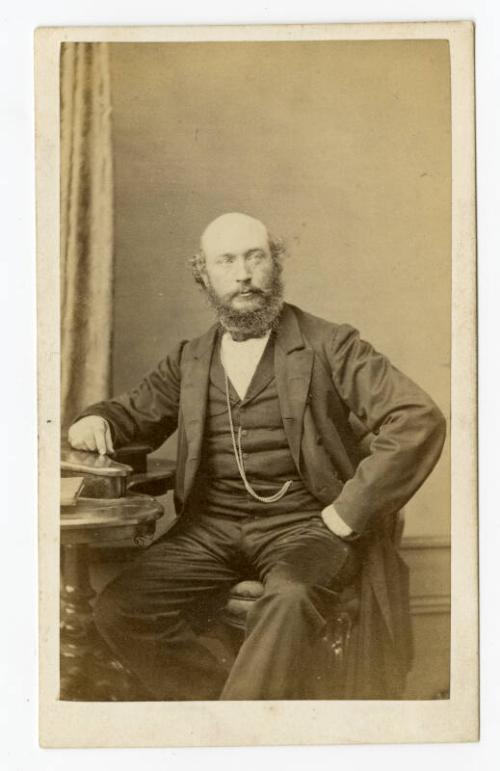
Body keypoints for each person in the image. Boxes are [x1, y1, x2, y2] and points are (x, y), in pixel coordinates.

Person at [68, 211, 446, 700]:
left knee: (288, 598)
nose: (243, 273)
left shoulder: (331, 343)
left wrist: (347, 513)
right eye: (226, 261)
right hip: (209, 529)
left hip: (304, 526)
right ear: (204, 275)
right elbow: (131, 414)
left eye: (255, 256)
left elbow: (417, 416)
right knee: (120, 608)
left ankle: (238, 732)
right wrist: (95, 419)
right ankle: (230, 710)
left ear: (275, 265)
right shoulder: (191, 357)